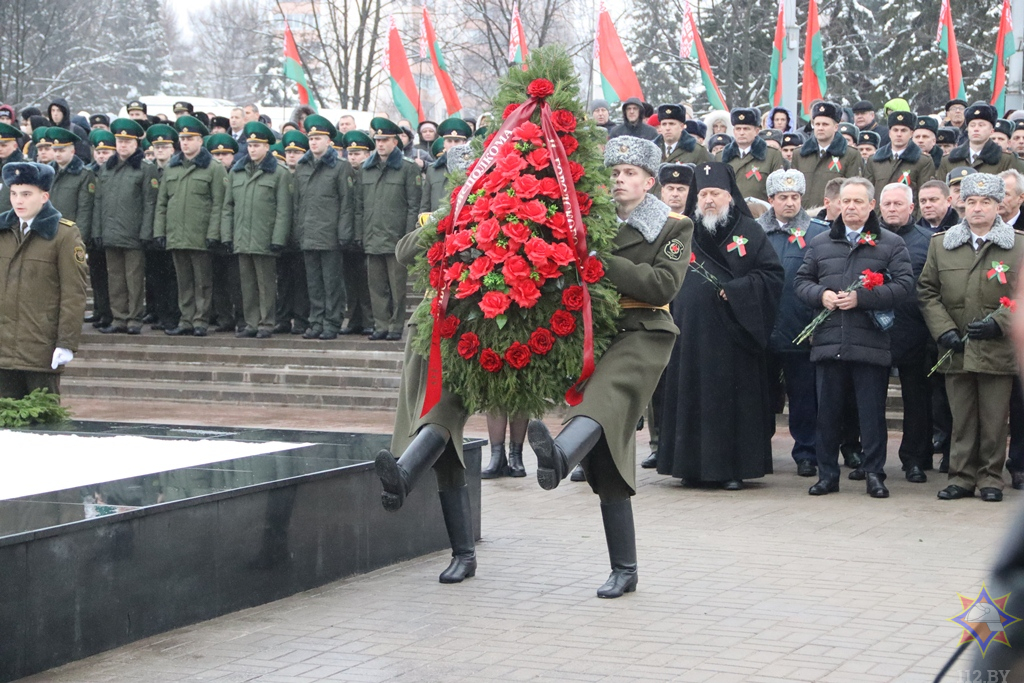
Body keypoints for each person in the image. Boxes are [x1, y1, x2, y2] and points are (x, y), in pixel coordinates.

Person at [524, 136, 691, 597]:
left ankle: (557, 458)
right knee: (608, 456)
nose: (619, 179)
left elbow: (661, 287)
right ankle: (625, 568)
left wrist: (601, 260)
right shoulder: (587, 221)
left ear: (650, 181)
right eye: (614, 172)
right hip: (595, 336)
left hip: (643, 334)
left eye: (630, 173)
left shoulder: (673, 227)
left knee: (599, 403)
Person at [656, 161, 783, 491]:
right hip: (690, 332)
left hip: (732, 336)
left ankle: (732, 468)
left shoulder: (749, 231)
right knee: (690, 396)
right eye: (703, 194)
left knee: (728, 401)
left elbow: (772, 276)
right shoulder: (683, 230)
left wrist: (739, 290)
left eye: (715, 193)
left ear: (730, 196)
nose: (708, 199)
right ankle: (688, 466)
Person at [794, 177, 915, 498]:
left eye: (858, 202)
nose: (850, 207)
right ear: (836, 204)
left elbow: (905, 287)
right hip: (829, 342)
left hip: (870, 342)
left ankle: (875, 474)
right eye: (846, 201)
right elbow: (801, 282)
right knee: (828, 414)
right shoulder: (820, 243)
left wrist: (863, 299)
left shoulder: (890, 243)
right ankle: (827, 475)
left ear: (871, 205)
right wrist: (822, 296)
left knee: (872, 414)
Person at [918, 173, 1024, 502]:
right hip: (957, 347)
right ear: (962, 204)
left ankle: (991, 478)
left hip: (997, 348)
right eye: (972, 202)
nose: (978, 209)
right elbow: (927, 291)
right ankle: (961, 476)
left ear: (999, 206)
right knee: (961, 417)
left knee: (994, 420)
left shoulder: (1018, 245)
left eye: (987, 202)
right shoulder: (942, 243)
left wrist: (1001, 323)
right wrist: (943, 329)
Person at [757, 169, 829, 477]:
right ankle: (759, 451)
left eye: (795, 197)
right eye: (783, 197)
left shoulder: (818, 233)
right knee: (761, 396)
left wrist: (817, 324)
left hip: (802, 330)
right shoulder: (755, 231)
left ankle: (806, 453)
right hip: (762, 330)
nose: (790, 203)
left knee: (804, 397)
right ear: (770, 200)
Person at [0, 162, 87, 398]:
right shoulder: (3, 231)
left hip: (40, 349)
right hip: (2, 349)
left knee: (43, 425)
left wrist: (66, 342)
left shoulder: (64, 235)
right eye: (14, 193)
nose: (18, 201)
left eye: (26, 194)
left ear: (44, 196)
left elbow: (74, 294)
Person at [877, 183, 935, 483]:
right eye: (887, 204)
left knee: (917, 402)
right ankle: (871, 458)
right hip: (875, 332)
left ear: (911, 208)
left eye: (898, 204)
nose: (892, 209)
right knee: (871, 400)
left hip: (915, 333)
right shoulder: (868, 238)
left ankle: (914, 458)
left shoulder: (929, 241)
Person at [153, 115, 225, 338]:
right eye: (182, 138)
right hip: (177, 234)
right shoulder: (172, 168)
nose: (185, 143)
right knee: (183, 281)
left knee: (202, 281)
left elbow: (219, 204)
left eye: (190, 138)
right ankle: (186, 319)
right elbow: (162, 203)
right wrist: (160, 231)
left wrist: (214, 233)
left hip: (200, 234)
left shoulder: (214, 168)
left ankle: (200, 320)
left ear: (201, 141)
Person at [221, 121, 293, 339]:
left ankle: (266, 323)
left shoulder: (279, 173)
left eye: (257, 145)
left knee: (266, 284)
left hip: (264, 236)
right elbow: (228, 207)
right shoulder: (238, 171)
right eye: (250, 145)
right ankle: (251, 322)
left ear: (267, 147)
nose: (252, 149)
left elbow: (283, 209)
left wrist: (278, 238)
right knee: (247, 284)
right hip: (242, 236)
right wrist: (227, 235)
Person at [353, 117, 421, 341]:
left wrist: (408, 237)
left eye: (385, 139)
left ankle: (395, 326)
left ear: (395, 141)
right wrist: (359, 234)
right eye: (378, 139)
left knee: (397, 287)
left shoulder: (407, 169)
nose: (380, 144)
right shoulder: (366, 169)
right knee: (377, 286)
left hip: (396, 238)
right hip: (373, 236)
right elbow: (359, 206)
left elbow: (413, 206)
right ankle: (380, 324)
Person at [94, 118, 159, 335]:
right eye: (120, 141)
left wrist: (146, 232)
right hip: (111, 233)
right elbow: (99, 202)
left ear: (135, 144)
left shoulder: (144, 168)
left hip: (133, 234)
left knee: (134, 279)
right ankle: (119, 318)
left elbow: (150, 203)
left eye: (127, 141)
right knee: (115, 279)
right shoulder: (107, 169)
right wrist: (98, 231)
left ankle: (134, 319)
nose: (122, 145)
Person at [293, 115, 352, 340]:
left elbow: (347, 203)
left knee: (331, 283)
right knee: (314, 284)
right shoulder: (302, 167)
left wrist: (344, 233)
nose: (314, 142)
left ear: (329, 141)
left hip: (330, 235)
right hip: (309, 233)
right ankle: (316, 321)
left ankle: (332, 322)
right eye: (311, 138)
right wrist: (299, 230)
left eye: (318, 138)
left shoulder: (340, 167)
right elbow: (298, 203)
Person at [790, 102, 864, 208]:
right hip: (803, 214)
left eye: (825, 124)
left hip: (833, 215)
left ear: (835, 127)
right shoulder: (799, 154)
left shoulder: (850, 154)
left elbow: (853, 189)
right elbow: (793, 188)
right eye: (817, 124)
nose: (820, 128)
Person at [339, 130, 375, 335]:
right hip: (347, 235)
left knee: (366, 282)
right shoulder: (343, 173)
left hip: (366, 233)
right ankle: (353, 320)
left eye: (358, 152)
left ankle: (369, 321)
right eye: (350, 153)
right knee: (350, 283)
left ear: (367, 154)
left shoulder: (368, 173)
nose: (353, 157)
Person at [276, 129, 311, 335]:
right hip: (281, 237)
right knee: (283, 281)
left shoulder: (305, 174)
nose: (291, 155)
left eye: (296, 152)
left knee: (301, 282)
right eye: (288, 152)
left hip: (302, 236)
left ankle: (300, 319)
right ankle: (282, 318)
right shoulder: (279, 174)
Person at [864, 110, 935, 206]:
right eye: (895, 130)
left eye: (903, 130)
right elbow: (867, 194)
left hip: (908, 217)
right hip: (879, 216)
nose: (899, 134)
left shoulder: (922, 161)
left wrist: (918, 220)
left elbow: (924, 196)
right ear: (889, 133)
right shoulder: (874, 160)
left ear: (911, 134)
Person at [937, 103, 1024, 180]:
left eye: (981, 125)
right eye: (972, 125)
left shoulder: (1006, 159)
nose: (976, 129)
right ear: (967, 129)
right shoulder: (950, 159)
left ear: (992, 131)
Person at [718, 108, 784, 201]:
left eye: (746, 129)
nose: (741, 133)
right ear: (733, 131)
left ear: (756, 131)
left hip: (760, 212)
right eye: (738, 129)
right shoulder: (721, 156)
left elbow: (778, 190)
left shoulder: (771, 155)